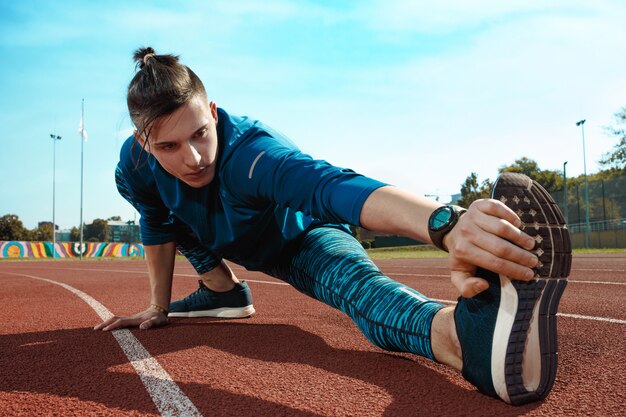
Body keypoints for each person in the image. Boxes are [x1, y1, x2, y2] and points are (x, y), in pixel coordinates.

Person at [94, 47, 571, 406]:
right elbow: (156, 223)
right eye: (169, 147)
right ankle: (221, 291)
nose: (195, 157)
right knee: (163, 206)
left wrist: (446, 225)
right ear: (143, 142)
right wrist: (157, 304)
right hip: (219, 238)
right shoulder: (134, 166)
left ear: (213, 112)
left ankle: (460, 338)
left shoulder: (254, 156)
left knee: (356, 288)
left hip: (299, 241)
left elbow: (332, 187)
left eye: (200, 133)